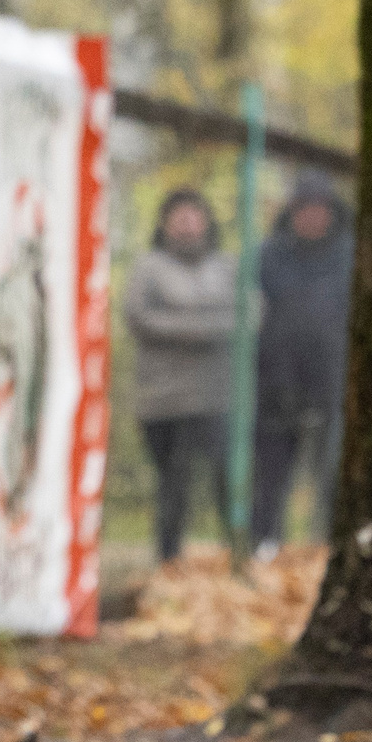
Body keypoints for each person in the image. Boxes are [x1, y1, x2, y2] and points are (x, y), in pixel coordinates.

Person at [125, 188, 237, 563]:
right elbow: (139, 317)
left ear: (206, 221)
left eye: (194, 215)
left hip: (218, 397)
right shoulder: (149, 267)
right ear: (165, 223)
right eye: (179, 216)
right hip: (164, 400)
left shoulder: (227, 267)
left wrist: (189, 325)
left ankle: (237, 556)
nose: (187, 223)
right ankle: (169, 561)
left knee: (228, 480)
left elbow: (252, 313)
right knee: (173, 484)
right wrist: (202, 328)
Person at [250, 172, 353, 555]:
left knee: (333, 471)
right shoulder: (269, 255)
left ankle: (329, 545)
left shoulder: (349, 255)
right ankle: (266, 545)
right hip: (276, 383)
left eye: (319, 209)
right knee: (272, 471)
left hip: (333, 381)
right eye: (304, 209)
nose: (312, 217)